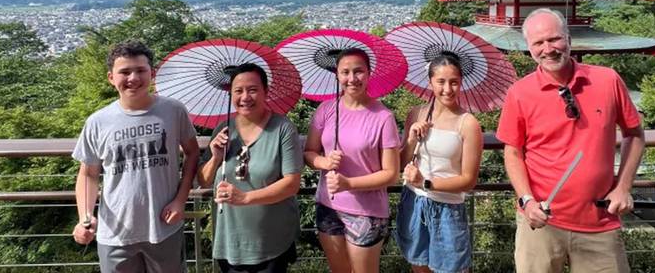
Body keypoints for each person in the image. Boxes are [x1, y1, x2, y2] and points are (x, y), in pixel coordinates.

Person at [497, 8, 645, 273]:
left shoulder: (606, 80)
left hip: (599, 219)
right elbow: (513, 152)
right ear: (529, 48)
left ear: (569, 38)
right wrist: (526, 201)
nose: (548, 49)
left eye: (554, 39)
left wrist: (623, 187)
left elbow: (634, 134)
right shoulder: (520, 93)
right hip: (541, 220)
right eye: (538, 43)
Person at [71, 40, 200, 273]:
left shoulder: (173, 110)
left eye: (140, 70)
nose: (133, 78)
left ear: (152, 73)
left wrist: (181, 200)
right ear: (111, 77)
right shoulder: (97, 122)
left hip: (164, 227)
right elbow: (88, 174)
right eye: (125, 72)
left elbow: (192, 154)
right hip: (115, 232)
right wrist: (86, 216)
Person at [197, 63, 303, 273]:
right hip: (230, 240)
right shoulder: (223, 129)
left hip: (272, 241)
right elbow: (203, 180)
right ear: (230, 94)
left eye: (252, 90)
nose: (245, 97)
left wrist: (245, 198)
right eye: (238, 91)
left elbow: (292, 184)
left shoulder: (283, 129)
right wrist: (216, 157)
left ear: (266, 91)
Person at [304, 48, 401, 273]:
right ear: (337, 75)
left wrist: (349, 184)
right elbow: (309, 152)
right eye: (345, 72)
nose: (351, 78)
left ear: (368, 74)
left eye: (358, 71)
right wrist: (324, 162)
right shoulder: (326, 110)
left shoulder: (383, 117)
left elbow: (391, 173)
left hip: (367, 211)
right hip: (328, 205)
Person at [396, 54, 483, 273]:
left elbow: (469, 180)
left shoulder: (468, 123)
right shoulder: (416, 114)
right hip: (414, 202)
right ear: (430, 82)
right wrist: (411, 139)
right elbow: (400, 163)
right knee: (419, 266)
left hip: (448, 207)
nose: (447, 89)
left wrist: (425, 182)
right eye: (441, 82)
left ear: (461, 82)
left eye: (454, 82)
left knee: (453, 269)